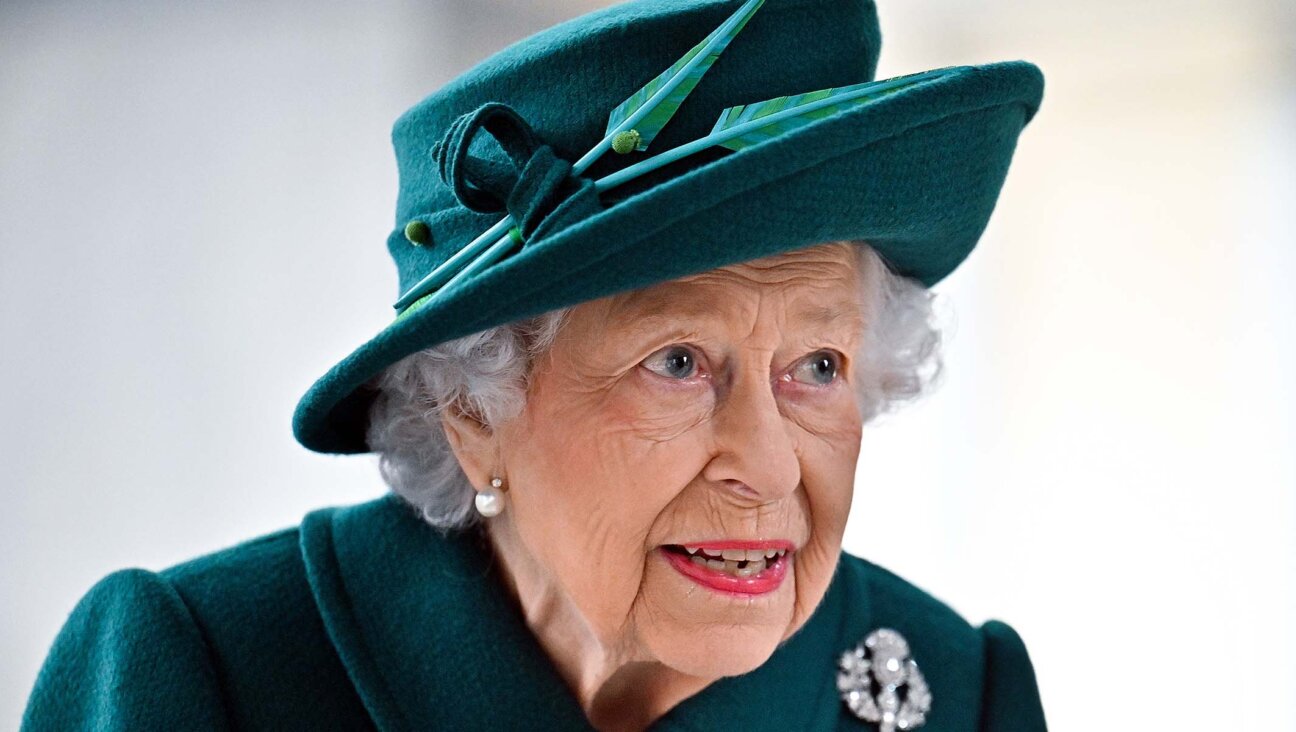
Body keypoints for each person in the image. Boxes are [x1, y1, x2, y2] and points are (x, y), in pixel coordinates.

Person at [22, 0, 1047, 729]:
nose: (771, 468)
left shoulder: (958, 693)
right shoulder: (205, 675)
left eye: (818, 365)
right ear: (475, 413)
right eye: (679, 360)